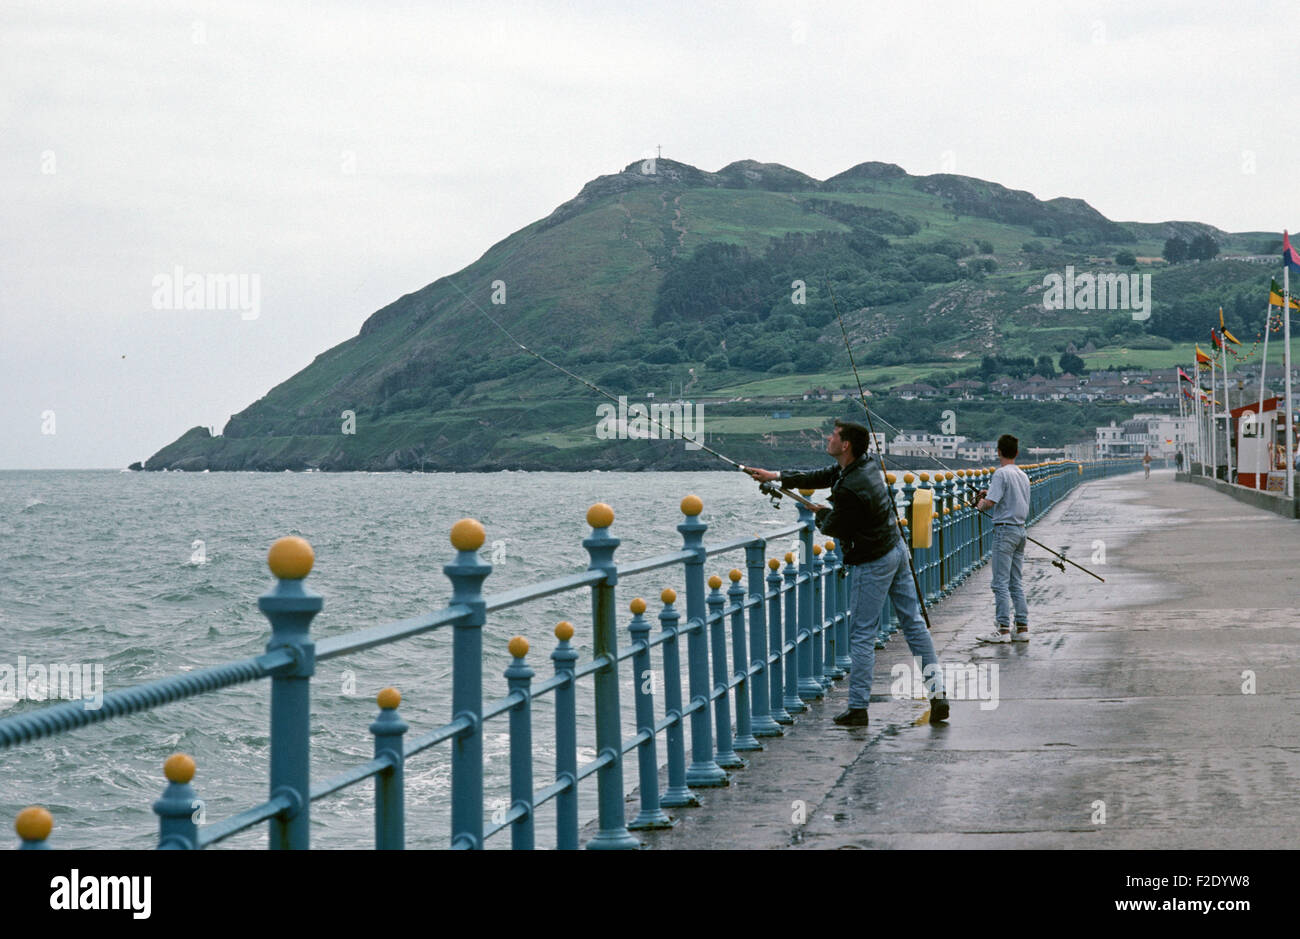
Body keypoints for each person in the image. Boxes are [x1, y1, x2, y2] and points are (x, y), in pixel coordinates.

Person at [744, 419, 948, 727]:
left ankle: (858, 708)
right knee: (914, 624)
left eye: (834, 436)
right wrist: (777, 476)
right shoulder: (861, 466)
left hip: (874, 559)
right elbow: (826, 475)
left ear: (846, 445)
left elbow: (837, 526)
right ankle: (938, 694)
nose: (828, 438)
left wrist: (822, 516)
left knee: (863, 634)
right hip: (895, 549)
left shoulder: (853, 486)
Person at [975, 434, 1031, 643]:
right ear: (1016, 452)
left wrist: (980, 504)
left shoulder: (1000, 474)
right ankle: (1022, 628)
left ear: (998, 452)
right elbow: (1013, 499)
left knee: (999, 583)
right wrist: (988, 493)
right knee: (1015, 582)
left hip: (1004, 532)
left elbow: (990, 502)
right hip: (1020, 530)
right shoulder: (1022, 475)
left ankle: (1003, 629)